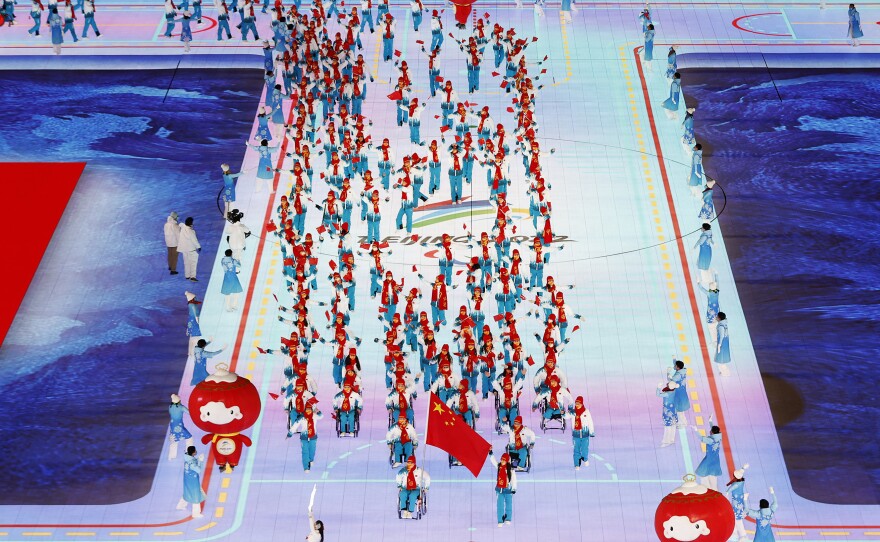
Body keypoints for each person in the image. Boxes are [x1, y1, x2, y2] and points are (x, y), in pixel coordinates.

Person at [290, 398, 322, 471]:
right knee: (305, 452)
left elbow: (321, 416)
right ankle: (306, 467)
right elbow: (295, 425)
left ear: (311, 410)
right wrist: (290, 433)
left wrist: (318, 411)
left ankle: (311, 460)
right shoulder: (302, 418)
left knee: (312, 450)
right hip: (304, 437)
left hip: (313, 437)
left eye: (309, 409)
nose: (308, 411)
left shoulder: (314, 416)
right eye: (307, 409)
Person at [691, 416, 723, 490]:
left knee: (703, 475)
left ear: (712, 432)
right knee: (713, 476)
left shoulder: (710, 440)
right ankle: (715, 491)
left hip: (709, 459)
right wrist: (710, 421)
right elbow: (714, 430)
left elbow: (702, 438)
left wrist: (696, 430)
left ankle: (707, 489)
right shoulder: (718, 437)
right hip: (715, 459)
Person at [175, 445, 206, 519]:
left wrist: (198, 459)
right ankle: (196, 513)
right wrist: (200, 461)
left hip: (187, 479)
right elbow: (198, 470)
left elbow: (194, 463)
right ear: (193, 452)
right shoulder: (191, 462)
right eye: (195, 450)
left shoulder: (187, 458)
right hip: (193, 480)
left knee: (187, 492)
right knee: (196, 495)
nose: (196, 451)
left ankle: (180, 506)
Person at [488, 448, 516, 527]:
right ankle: (500, 520)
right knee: (500, 505)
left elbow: (513, 479)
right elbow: (493, 461)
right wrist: (490, 453)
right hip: (499, 490)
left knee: (509, 504)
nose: (502, 461)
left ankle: (508, 519)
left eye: (504, 460)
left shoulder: (511, 470)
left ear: (507, 461)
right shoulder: (499, 467)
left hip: (508, 490)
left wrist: (514, 488)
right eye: (501, 460)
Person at [567, 395, 595, 469]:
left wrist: (591, 432)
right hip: (576, 435)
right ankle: (577, 464)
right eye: (576, 404)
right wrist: (563, 413)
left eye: (579, 404)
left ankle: (585, 459)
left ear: (582, 404)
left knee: (585, 449)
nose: (577, 405)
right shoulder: (573, 412)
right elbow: (566, 416)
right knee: (576, 449)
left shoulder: (586, 412)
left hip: (585, 434)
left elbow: (590, 422)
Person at [725, 464, 750, 542]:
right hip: (740, 499)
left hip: (736, 501)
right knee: (736, 517)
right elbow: (741, 472)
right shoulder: (742, 480)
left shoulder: (736, 484)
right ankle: (736, 532)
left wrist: (726, 493)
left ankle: (741, 534)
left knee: (736, 517)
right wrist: (743, 468)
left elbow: (730, 489)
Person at [168, 393, 194, 460]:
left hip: (173, 427)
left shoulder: (170, 407)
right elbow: (190, 413)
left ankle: (171, 456)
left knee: (174, 441)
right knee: (189, 438)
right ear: (179, 401)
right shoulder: (181, 407)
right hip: (180, 428)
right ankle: (189, 452)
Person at [178, 217, 201, 282]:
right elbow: (194, 240)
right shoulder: (191, 231)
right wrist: (198, 247)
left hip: (184, 249)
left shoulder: (183, 228)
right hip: (191, 249)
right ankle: (192, 277)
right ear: (191, 223)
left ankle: (187, 275)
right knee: (193, 263)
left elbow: (180, 224)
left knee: (186, 263)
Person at [656, 381, 678, 447]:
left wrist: (658, 387)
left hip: (668, 412)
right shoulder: (674, 391)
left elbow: (658, 394)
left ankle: (666, 441)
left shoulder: (667, 394)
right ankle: (671, 439)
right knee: (673, 425)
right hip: (673, 411)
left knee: (667, 426)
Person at [185, 291, 202, 356]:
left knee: (191, 336)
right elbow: (195, 314)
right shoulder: (192, 305)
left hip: (191, 320)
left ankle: (190, 352)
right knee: (194, 336)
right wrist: (197, 321)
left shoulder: (191, 304)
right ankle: (192, 352)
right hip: (194, 320)